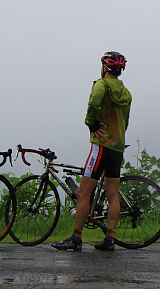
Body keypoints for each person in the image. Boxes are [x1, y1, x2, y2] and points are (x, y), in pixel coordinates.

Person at [52, 51, 132, 251]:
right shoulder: (127, 93)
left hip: (102, 144)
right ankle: (110, 239)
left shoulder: (101, 85)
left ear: (105, 67)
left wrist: (92, 124)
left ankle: (76, 239)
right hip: (118, 146)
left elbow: (94, 104)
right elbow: (126, 121)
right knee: (112, 194)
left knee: (83, 193)